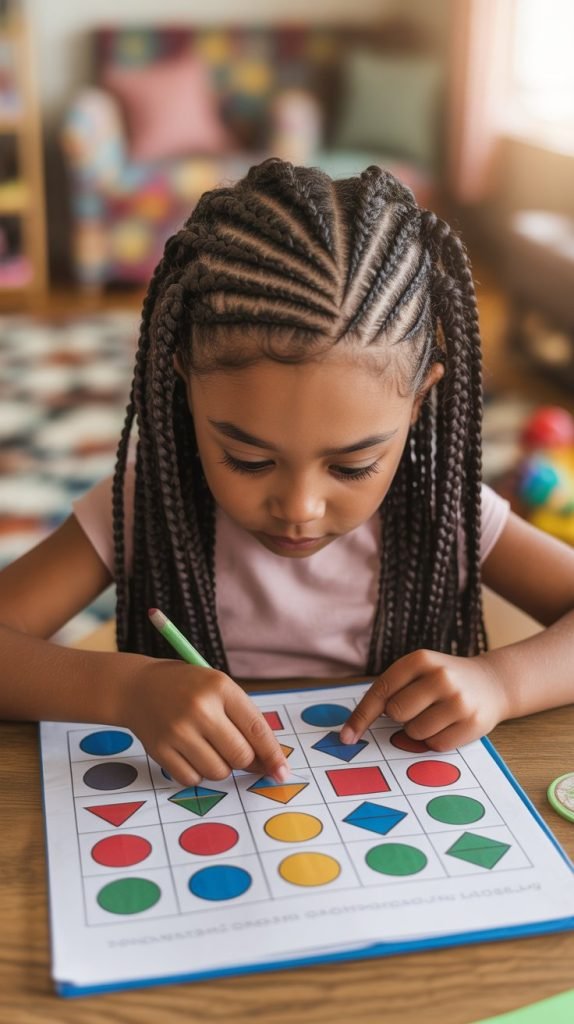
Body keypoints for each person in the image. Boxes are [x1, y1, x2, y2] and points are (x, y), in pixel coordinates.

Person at [1, 159, 573, 787]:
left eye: (353, 465)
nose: (299, 506)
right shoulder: (150, 502)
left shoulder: (441, 508)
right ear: (185, 383)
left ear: (418, 401)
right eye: (249, 459)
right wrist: (126, 689)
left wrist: (502, 681)